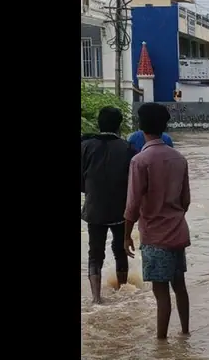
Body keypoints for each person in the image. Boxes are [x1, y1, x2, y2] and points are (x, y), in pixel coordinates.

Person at [124, 103, 192, 339]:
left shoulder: (140, 161)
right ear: (165, 126)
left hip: (154, 235)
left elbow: (132, 205)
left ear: (141, 126)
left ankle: (161, 343)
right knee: (179, 286)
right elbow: (186, 201)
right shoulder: (179, 158)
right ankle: (185, 333)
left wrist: (126, 236)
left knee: (161, 293)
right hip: (177, 232)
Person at [80, 106, 137, 304]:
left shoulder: (85, 147)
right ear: (119, 125)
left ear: (99, 123)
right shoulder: (129, 148)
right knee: (120, 250)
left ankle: (96, 298)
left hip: (94, 208)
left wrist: (90, 191)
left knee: (95, 253)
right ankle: (123, 292)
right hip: (121, 210)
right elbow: (134, 183)